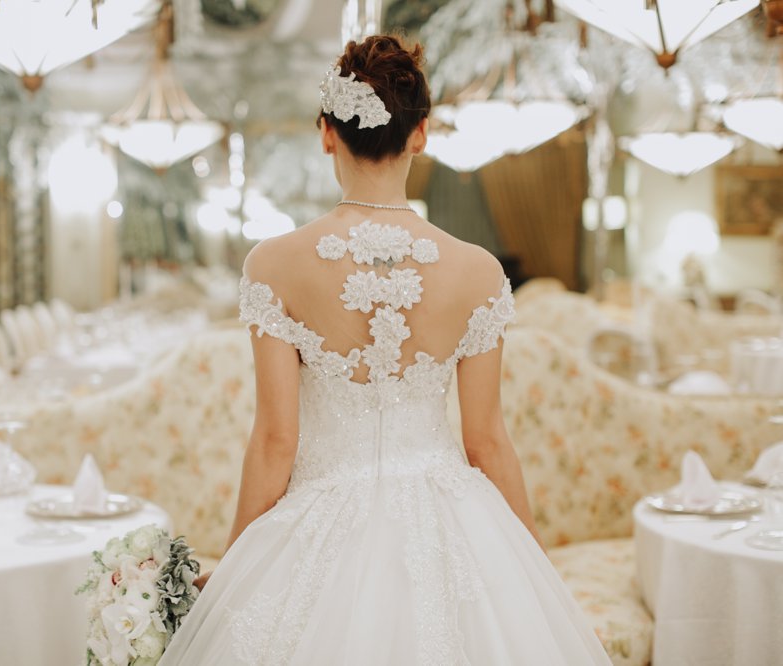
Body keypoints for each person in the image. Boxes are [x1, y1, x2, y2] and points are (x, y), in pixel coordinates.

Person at [159, 35, 611, 665]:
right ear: (420, 133)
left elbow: (275, 442)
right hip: (454, 523)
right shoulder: (478, 272)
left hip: (318, 523)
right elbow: (486, 440)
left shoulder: (274, 264)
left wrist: (234, 566)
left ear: (326, 134)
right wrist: (528, 566)